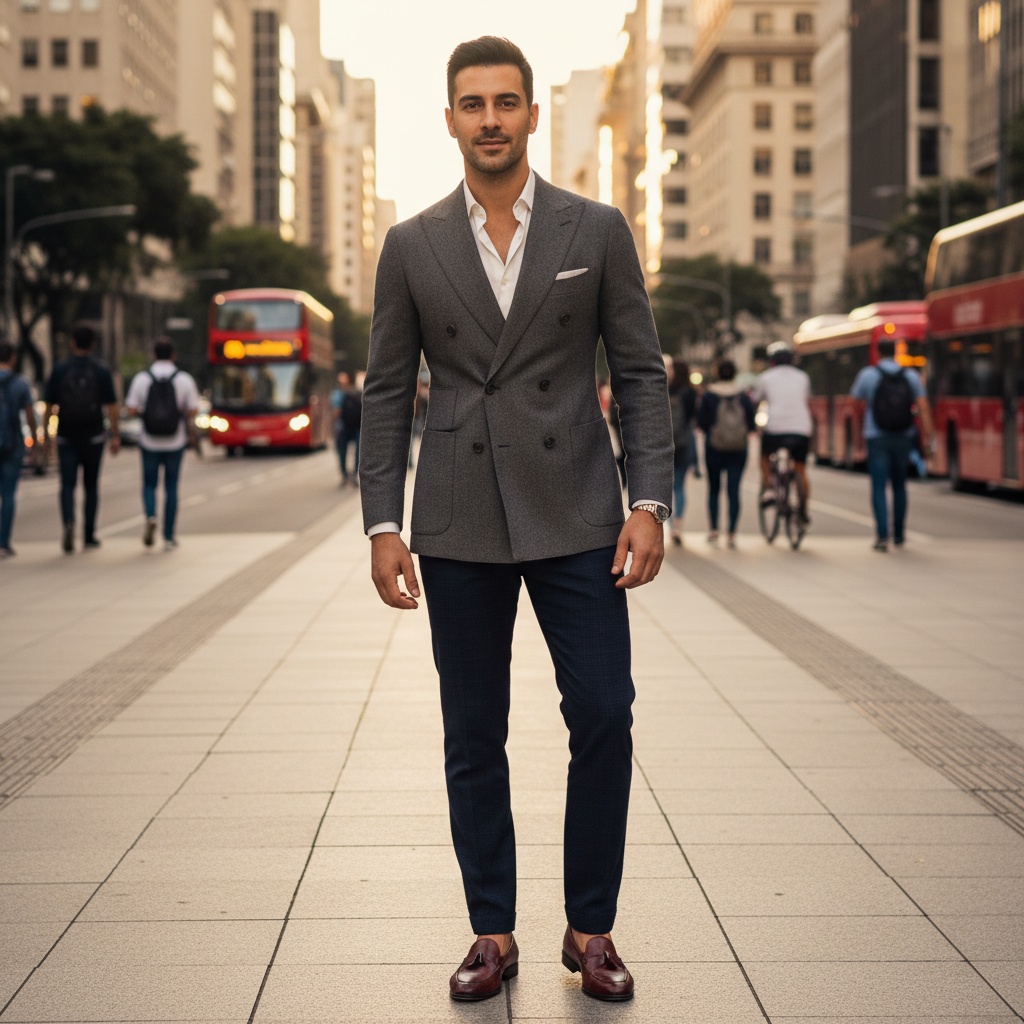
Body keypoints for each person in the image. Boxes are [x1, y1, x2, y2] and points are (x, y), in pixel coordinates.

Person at [360, 37, 673, 1004]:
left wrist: (649, 502)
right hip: (457, 516)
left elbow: (640, 372)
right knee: (472, 729)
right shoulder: (412, 245)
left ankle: (592, 929)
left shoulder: (597, 228)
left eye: (506, 102)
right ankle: (491, 932)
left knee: (604, 715)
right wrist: (382, 523)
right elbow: (382, 392)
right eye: (471, 104)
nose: (489, 119)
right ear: (449, 120)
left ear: (532, 115)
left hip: (578, 507)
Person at [850, 338, 935, 551]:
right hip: (903, 435)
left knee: (879, 486)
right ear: (897, 352)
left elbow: (855, 405)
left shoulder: (868, 375)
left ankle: (881, 536)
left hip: (876, 436)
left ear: (878, 352)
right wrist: (929, 438)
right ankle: (899, 534)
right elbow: (923, 407)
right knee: (900, 485)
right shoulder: (911, 376)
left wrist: (858, 433)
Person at [43, 323, 120, 553]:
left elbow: (49, 406)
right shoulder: (101, 370)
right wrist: (114, 434)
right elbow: (112, 407)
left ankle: (68, 523)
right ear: (93, 344)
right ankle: (88, 534)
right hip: (94, 436)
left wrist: (48, 435)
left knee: (67, 485)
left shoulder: (59, 370)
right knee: (91, 486)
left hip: (66, 436)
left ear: (72, 343)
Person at [124, 338, 199, 551]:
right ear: (173, 355)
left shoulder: (142, 379)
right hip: (175, 441)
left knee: (149, 485)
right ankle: (168, 536)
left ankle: (150, 516)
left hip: (149, 441)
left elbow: (130, 409)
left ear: (154, 355)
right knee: (171, 487)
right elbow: (193, 409)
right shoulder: (183, 379)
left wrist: (147, 412)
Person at [751, 342, 813, 526]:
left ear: (772, 361)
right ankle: (803, 509)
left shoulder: (765, 378)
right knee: (801, 469)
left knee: (764, 457)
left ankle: (770, 488)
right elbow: (806, 398)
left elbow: (756, 400)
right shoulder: (803, 377)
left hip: (775, 428)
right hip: (801, 429)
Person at [697, 358, 756, 549]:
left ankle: (714, 529)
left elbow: (702, 424)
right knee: (734, 490)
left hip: (714, 448)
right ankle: (731, 533)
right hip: (738, 449)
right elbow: (751, 424)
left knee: (714, 490)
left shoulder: (710, 395)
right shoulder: (743, 395)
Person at [0, 339, 39, 558]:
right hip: (12, 443)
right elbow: (30, 415)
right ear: (12, 358)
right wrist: (34, 440)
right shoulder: (20, 383)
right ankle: (3, 542)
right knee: (8, 494)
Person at [666, 357, 698, 546]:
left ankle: (670, 526)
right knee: (679, 486)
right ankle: (678, 525)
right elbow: (693, 418)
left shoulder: (664, 390)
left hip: (666, 443)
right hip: (685, 441)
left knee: (668, 487)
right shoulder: (690, 393)